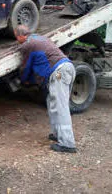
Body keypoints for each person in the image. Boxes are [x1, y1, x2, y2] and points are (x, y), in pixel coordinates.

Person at [15, 25, 77, 153]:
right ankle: (57, 134)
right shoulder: (39, 38)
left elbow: (26, 67)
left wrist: (23, 81)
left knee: (60, 107)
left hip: (59, 72)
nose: (16, 40)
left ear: (21, 36)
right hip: (66, 68)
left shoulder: (28, 44)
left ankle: (67, 144)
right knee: (52, 103)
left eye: (16, 37)